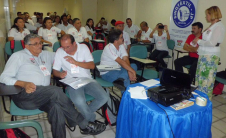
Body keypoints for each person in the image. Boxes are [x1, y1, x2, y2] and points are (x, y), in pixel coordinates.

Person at [0, 34, 106, 138]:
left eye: (40, 43)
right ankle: (83, 124)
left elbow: (62, 54)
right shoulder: (18, 56)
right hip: (25, 95)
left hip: (44, 96)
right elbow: (3, 77)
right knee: (55, 91)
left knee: (57, 109)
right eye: (35, 44)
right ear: (27, 46)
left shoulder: (46, 54)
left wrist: (76, 57)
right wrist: (23, 83)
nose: (39, 45)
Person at [53, 34, 108, 123]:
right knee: (79, 101)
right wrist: (60, 74)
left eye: (68, 47)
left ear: (74, 43)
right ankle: (90, 121)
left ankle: (80, 118)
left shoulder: (83, 48)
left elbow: (92, 66)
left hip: (87, 79)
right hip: (72, 81)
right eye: (63, 47)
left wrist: (75, 62)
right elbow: (55, 71)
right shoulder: (59, 52)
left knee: (104, 97)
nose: (65, 50)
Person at [192, 6, 225, 100]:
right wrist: (197, 42)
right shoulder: (212, 25)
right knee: (200, 80)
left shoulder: (219, 26)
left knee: (207, 81)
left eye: (207, 14)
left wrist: (198, 41)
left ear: (212, 14)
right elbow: (206, 41)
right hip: (204, 55)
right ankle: (199, 100)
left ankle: (205, 102)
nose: (206, 17)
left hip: (210, 57)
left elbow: (212, 43)